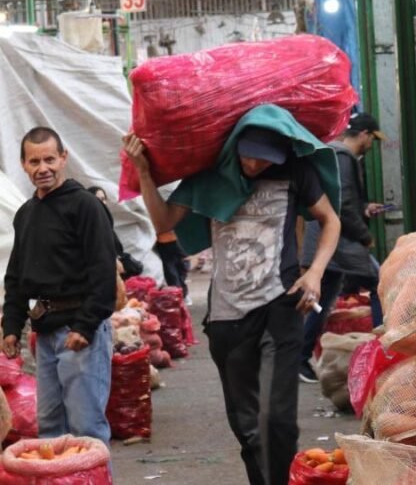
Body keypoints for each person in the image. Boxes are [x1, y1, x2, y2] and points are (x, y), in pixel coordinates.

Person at [123, 106, 341, 485]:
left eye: (264, 157)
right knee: (246, 425)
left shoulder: (294, 171)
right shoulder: (210, 175)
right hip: (227, 316)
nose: (255, 164)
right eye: (249, 154)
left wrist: (315, 272)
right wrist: (143, 172)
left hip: (281, 304)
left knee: (277, 418)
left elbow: (330, 220)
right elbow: (163, 224)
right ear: (234, 145)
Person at [2, 127, 117, 444]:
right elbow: (17, 278)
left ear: (63, 158)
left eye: (50, 159)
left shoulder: (86, 207)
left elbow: (103, 271)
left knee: (86, 428)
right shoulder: (25, 214)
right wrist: (12, 325)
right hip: (47, 335)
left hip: (80, 335)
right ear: (24, 165)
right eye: (34, 161)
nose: (43, 169)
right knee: (50, 429)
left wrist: (86, 325)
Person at [298, 112, 385, 383]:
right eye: (372, 138)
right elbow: (343, 204)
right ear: (364, 135)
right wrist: (364, 235)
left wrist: (364, 209)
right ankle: (384, 350)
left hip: (331, 241)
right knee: (380, 284)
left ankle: (299, 357)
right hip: (339, 241)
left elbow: (342, 199)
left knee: (322, 300)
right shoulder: (344, 158)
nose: (372, 145)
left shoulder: (334, 155)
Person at [86, 185, 143, 279]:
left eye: (103, 199)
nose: (102, 202)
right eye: (98, 199)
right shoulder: (91, 222)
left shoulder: (106, 219)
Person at [154, 230, 190, 304]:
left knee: (179, 267)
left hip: (177, 238)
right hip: (164, 240)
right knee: (171, 270)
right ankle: (179, 295)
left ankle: (180, 294)